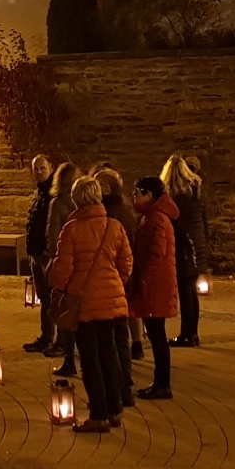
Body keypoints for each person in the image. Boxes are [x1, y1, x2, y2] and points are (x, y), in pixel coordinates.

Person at [46, 174, 132, 434]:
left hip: (85, 303)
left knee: (90, 359)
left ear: (76, 199)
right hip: (112, 300)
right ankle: (115, 409)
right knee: (110, 354)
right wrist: (114, 283)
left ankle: (98, 414)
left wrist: (60, 289)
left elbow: (63, 269)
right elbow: (126, 264)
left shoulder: (71, 229)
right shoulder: (114, 226)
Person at [129, 175, 180, 399]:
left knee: (158, 336)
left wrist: (145, 279)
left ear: (148, 194)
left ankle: (162, 384)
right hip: (154, 283)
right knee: (157, 334)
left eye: (137, 192)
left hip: (155, 285)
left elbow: (156, 253)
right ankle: (161, 383)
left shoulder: (156, 218)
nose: (134, 196)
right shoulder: (150, 216)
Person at [95, 168, 140, 404]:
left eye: (99, 186)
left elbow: (123, 254)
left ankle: (117, 388)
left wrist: (117, 279)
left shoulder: (110, 216)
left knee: (111, 340)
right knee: (120, 338)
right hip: (120, 283)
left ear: (108, 189)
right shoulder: (123, 211)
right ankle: (126, 386)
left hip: (111, 285)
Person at [162, 155, 210, 346]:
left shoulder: (175, 199)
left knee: (186, 293)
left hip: (184, 250)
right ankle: (192, 333)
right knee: (190, 293)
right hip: (197, 248)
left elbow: (175, 227)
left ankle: (187, 335)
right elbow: (204, 224)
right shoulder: (195, 195)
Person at [44, 161, 82, 373]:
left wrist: (52, 257)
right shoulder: (81, 202)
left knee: (64, 308)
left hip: (64, 260)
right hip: (81, 263)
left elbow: (52, 235)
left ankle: (68, 355)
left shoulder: (58, 203)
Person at [21, 156, 54, 354]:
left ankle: (53, 338)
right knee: (43, 297)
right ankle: (47, 336)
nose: (39, 172)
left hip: (46, 254)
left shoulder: (53, 195)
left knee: (50, 299)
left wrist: (47, 252)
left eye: (42, 168)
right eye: (36, 169)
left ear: (50, 168)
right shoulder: (39, 194)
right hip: (36, 253)